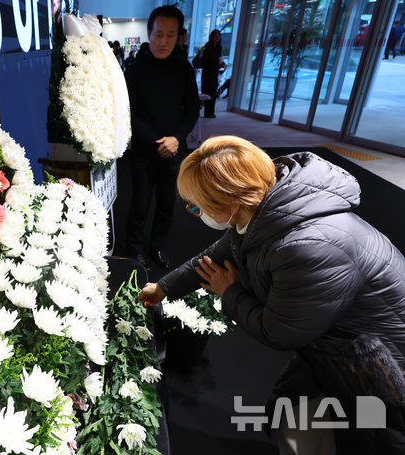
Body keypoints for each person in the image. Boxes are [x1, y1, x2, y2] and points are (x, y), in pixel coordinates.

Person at [139, 136, 405, 453]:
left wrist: (229, 292)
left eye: (197, 206)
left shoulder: (307, 246)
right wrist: (162, 288)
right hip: (333, 346)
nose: (193, 211)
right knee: (304, 423)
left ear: (231, 203)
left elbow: (279, 331)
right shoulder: (265, 209)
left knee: (374, 435)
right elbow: (215, 256)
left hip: (380, 362)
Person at [125, 6, 199, 269]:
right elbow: (130, 113)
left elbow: (192, 109)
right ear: (149, 33)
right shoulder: (135, 69)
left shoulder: (184, 69)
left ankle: (157, 246)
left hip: (175, 150)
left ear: (178, 36)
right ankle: (134, 248)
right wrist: (158, 141)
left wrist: (176, 138)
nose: (163, 41)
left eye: (170, 35)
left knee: (167, 204)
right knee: (140, 204)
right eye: (158, 34)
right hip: (144, 152)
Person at [201, 29, 226, 117]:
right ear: (212, 36)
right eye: (215, 36)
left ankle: (211, 112)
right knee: (207, 92)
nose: (217, 37)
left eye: (218, 36)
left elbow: (219, 59)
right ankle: (207, 112)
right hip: (207, 73)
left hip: (214, 72)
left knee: (213, 93)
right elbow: (205, 62)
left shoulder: (219, 48)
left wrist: (221, 64)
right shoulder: (207, 46)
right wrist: (217, 64)